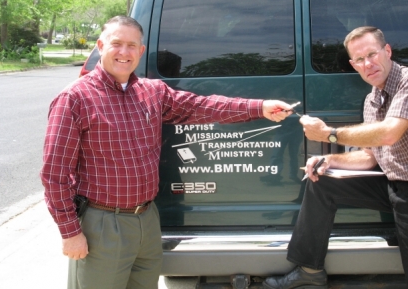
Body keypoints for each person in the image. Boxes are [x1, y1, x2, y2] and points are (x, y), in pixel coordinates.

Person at [40, 16, 293, 289]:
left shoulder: (151, 91)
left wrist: (260, 107)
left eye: (131, 45)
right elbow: (55, 174)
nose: (124, 52)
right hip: (102, 224)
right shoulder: (75, 98)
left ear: (141, 51)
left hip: (147, 220)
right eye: (116, 44)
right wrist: (70, 232)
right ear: (101, 46)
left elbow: (202, 107)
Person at [264, 26, 408, 289]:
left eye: (372, 54)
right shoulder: (372, 99)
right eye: (359, 59)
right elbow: (371, 156)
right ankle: (309, 270)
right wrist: (331, 161)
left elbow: (389, 134)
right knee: (322, 183)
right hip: (393, 184)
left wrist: (328, 135)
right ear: (353, 64)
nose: (367, 63)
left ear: (387, 51)